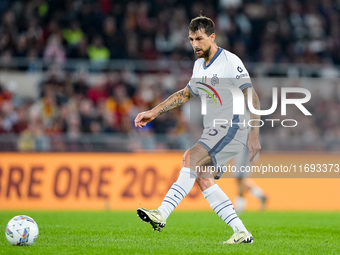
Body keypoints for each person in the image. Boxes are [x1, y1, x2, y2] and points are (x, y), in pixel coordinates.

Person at [134, 15, 261, 244]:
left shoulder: (230, 61)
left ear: (212, 37)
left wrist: (254, 134)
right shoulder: (198, 65)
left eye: (199, 39)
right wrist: (154, 112)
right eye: (191, 39)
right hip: (215, 129)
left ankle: (161, 213)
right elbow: (185, 94)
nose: (194, 44)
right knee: (203, 177)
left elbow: (252, 96)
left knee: (190, 157)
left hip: (232, 127)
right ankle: (241, 231)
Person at [233, 147, 267, 213]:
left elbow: (254, 146)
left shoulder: (247, 137)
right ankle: (261, 196)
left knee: (240, 181)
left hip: (244, 160)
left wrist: (254, 159)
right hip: (239, 159)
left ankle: (240, 207)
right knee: (239, 181)